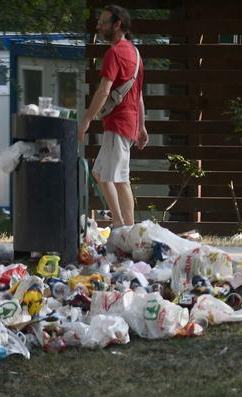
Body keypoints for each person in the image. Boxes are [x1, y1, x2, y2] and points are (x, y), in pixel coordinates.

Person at [77, 5, 147, 229]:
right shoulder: (135, 54)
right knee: (100, 173)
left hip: (118, 125)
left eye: (103, 22)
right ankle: (119, 223)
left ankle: (130, 230)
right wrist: (142, 126)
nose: (98, 26)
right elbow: (139, 95)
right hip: (126, 124)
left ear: (117, 25)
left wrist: (86, 120)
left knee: (120, 178)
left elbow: (104, 90)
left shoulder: (114, 53)